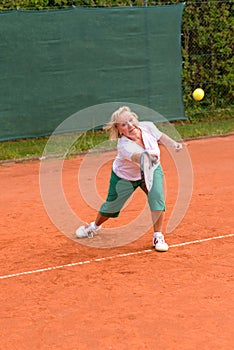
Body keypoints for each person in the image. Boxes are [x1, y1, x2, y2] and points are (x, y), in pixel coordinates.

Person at [76, 106, 183, 252]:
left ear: (135, 118)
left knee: (157, 197)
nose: (130, 125)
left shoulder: (148, 127)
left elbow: (160, 136)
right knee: (111, 207)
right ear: (119, 130)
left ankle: (158, 236)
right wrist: (147, 157)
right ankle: (94, 226)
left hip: (152, 170)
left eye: (131, 120)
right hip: (124, 177)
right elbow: (137, 157)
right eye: (124, 124)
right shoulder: (123, 146)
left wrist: (174, 144)